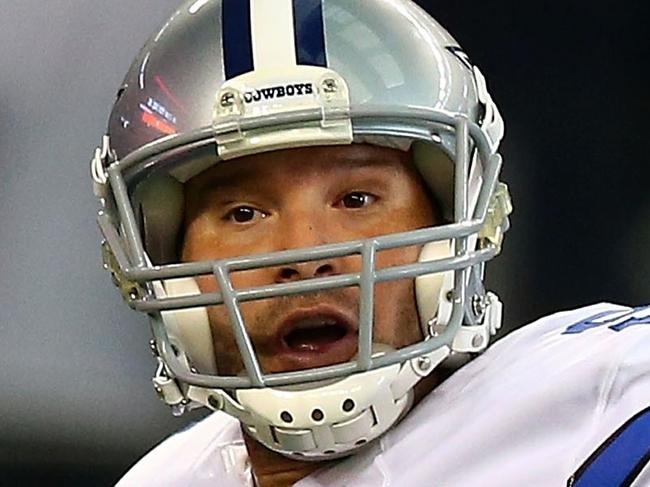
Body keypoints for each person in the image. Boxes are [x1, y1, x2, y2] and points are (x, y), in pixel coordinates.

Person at [90, 0, 650, 485]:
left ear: (455, 218)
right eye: (244, 213)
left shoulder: (603, 400)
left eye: (356, 200)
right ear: (166, 258)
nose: (306, 253)